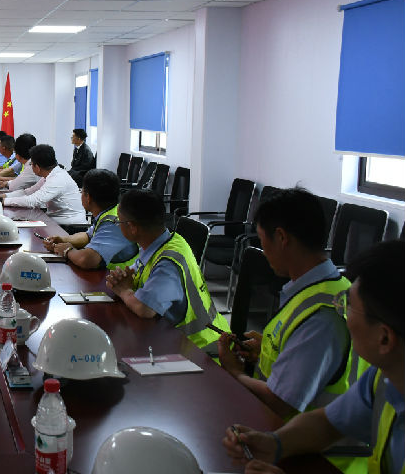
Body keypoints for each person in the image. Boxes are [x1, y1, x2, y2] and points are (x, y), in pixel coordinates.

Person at [222, 240, 404, 474]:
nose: (343, 315)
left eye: (348, 305)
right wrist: (275, 443)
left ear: (384, 339)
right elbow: (328, 422)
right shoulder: (383, 378)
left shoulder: (324, 318)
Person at [216, 188, 358, 420]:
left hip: (305, 440)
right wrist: (268, 353)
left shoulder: (322, 316)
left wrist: (234, 372)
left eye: (262, 241)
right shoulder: (325, 287)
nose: (263, 251)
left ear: (281, 238)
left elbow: (281, 403)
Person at [105, 189, 229, 349]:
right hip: (174, 337)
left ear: (132, 227)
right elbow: (135, 274)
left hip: (200, 348)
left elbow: (145, 309)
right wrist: (124, 280)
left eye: (119, 222)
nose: (118, 226)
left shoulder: (168, 262)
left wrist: (124, 291)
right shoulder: (163, 241)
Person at [43, 169, 138, 270]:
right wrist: (63, 240)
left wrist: (67, 250)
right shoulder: (110, 212)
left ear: (88, 197)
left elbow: (87, 260)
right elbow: (88, 236)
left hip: (123, 276)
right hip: (108, 274)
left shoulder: (113, 223)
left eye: (82, 191)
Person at [0, 144, 86, 227]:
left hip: (71, 227)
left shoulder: (57, 179)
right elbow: (28, 192)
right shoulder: (50, 175)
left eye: (31, 164)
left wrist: (3, 201)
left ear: (37, 167)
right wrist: (4, 196)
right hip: (56, 220)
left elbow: (32, 201)